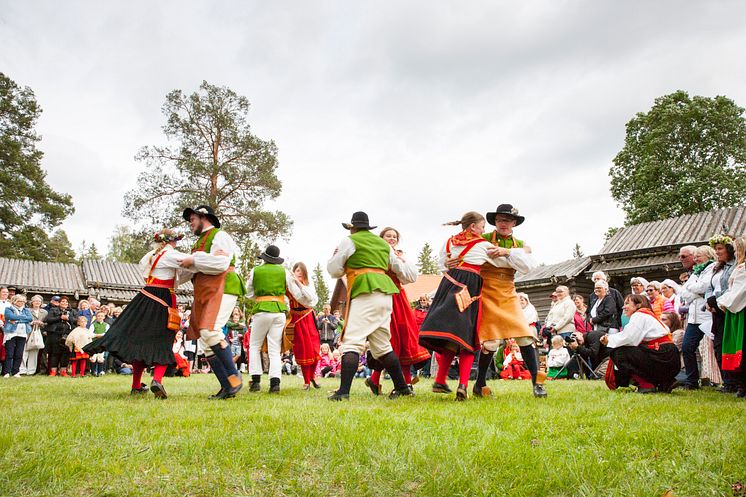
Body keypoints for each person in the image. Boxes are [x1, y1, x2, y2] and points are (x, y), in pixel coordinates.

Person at [85, 229, 192, 398]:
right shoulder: (170, 254)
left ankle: (136, 385)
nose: (176, 244)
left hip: (145, 297)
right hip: (162, 297)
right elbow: (189, 262)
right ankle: (157, 380)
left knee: (140, 342)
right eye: (175, 241)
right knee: (164, 339)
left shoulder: (150, 255)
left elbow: (153, 272)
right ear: (170, 242)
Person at [419, 211, 510, 400]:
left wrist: (446, 263)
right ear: (473, 227)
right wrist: (512, 252)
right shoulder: (483, 245)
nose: (484, 230)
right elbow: (503, 262)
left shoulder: (449, 242)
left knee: (451, 338)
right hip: (469, 288)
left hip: (448, 286)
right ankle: (462, 386)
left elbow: (442, 264)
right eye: (483, 227)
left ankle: (440, 379)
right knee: (468, 338)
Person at [327, 211, 416, 401]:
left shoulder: (349, 241)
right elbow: (405, 273)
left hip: (364, 291)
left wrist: (336, 258)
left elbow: (334, 270)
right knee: (382, 345)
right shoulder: (384, 244)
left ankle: (343, 392)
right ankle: (402, 387)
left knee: (352, 341)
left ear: (353, 227)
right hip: (386, 294)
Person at [467, 204, 543, 399]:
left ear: (514, 223)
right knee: (491, 341)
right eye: (500, 219)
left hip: (508, 291)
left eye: (508, 220)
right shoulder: (482, 239)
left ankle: (537, 383)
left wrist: (506, 252)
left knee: (524, 336)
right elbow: (465, 251)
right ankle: (480, 384)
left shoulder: (518, 243)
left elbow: (528, 267)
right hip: (487, 289)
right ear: (495, 222)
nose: (503, 223)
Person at [179, 205, 246, 400]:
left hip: (223, 286)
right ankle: (227, 387)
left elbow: (220, 264)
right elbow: (190, 269)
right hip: (206, 288)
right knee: (205, 341)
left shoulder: (219, 235)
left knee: (211, 330)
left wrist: (194, 259)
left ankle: (234, 377)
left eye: (192, 219)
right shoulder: (199, 243)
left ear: (203, 217)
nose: (190, 223)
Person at [366, 227, 430, 395]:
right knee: (387, 338)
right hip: (383, 295)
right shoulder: (376, 253)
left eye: (395, 236)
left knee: (405, 336)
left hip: (398, 296)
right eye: (388, 236)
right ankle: (380, 379)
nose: (392, 239)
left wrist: (400, 261)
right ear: (381, 238)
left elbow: (408, 278)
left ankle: (400, 382)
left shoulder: (400, 255)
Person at [245, 245, 307, 394]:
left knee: (254, 346)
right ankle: (275, 383)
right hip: (279, 311)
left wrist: (260, 297)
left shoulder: (255, 270)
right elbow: (294, 292)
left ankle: (256, 381)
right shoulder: (284, 271)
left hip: (261, 310)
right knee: (274, 349)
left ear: (264, 258)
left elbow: (248, 292)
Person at [601, 294, 679, 393]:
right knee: (634, 352)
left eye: (627, 303)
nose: (623, 307)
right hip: (670, 357)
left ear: (638, 305)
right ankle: (666, 382)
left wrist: (609, 340)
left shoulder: (639, 315)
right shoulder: (649, 316)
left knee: (618, 352)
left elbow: (630, 339)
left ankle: (646, 385)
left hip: (662, 356)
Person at [679, 245, 717, 390]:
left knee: (717, 348)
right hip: (694, 317)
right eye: (695, 256)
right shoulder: (696, 272)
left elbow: (703, 287)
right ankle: (692, 381)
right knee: (687, 347)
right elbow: (684, 293)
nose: (695, 259)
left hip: (708, 316)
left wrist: (693, 289)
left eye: (698, 256)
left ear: (708, 255)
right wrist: (695, 290)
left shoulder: (712, 268)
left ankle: (728, 382)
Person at [705, 234, 737, 393]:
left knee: (728, 342)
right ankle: (727, 381)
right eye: (715, 249)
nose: (717, 252)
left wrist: (715, 300)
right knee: (717, 344)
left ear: (729, 249)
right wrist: (708, 302)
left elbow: (732, 287)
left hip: (727, 306)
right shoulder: (717, 267)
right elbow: (709, 287)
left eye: (720, 249)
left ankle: (734, 381)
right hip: (714, 308)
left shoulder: (735, 266)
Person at [717, 235, 746, 398]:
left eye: (736, 250)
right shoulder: (740, 267)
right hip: (736, 308)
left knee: (742, 346)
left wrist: (723, 301)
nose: (734, 254)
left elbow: (740, 291)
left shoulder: (743, 268)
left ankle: (743, 386)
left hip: (740, 310)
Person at [286, 262, 321, 390]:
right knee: (303, 350)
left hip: (308, 317)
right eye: (297, 270)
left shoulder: (308, 285)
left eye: (301, 271)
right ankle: (306, 381)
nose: (299, 273)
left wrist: (299, 283)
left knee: (315, 348)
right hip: (296, 319)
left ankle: (312, 376)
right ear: (293, 271)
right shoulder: (289, 285)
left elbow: (311, 298)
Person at [43, 296, 76, 377]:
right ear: (59, 303)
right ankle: (53, 371)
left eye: (66, 302)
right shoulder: (53, 310)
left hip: (67, 335)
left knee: (65, 353)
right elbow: (48, 320)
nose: (64, 303)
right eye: (63, 302)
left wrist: (68, 318)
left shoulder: (71, 311)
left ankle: (63, 371)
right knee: (54, 353)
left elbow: (76, 320)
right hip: (55, 334)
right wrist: (60, 317)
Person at [3, 294, 33, 378]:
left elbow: (30, 318)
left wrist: (16, 320)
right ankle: (6, 372)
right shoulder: (9, 309)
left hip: (22, 334)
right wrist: (23, 318)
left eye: (23, 301)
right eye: (19, 301)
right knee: (9, 353)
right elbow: (9, 316)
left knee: (19, 354)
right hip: (11, 333)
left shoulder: (26, 310)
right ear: (14, 301)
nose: (21, 303)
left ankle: (16, 371)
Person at [21, 295, 47, 376]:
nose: (37, 302)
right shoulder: (27, 310)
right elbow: (23, 319)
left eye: (39, 301)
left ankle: (31, 371)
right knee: (24, 351)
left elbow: (46, 323)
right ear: (32, 302)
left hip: (38, 332)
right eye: (35, 301)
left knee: (35, 351)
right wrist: (31, 323)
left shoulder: (44, 312)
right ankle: (22, 370)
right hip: (27, 331)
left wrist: (41, 323)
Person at [88, 310, 110, 376]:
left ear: (104, 317)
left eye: (101, 316)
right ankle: (93, 371)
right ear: (96, 317)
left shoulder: (106, 325)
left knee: (100, 357)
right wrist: (98, 335)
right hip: (94, 343)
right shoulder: (93, 325)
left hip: (102, 343)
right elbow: (90, 334)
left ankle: (100, 371)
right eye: (98, 316)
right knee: (93, 357)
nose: (100, 317)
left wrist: (97, 334)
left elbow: (107, 334)